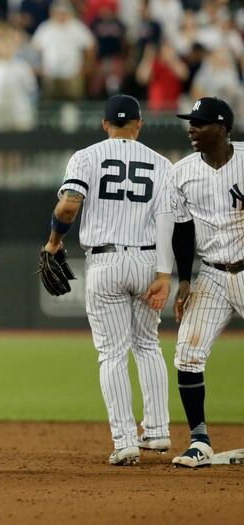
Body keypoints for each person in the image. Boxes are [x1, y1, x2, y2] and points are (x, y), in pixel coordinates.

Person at [41, 95, 174, 466]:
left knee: (112, 352)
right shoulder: (162, 164)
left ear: (104, 124)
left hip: (105, 260)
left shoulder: (86, 156)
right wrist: (165, 274)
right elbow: (168, 222)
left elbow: (69, 205)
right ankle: (159, 431)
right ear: (139, 124)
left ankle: (125, 440)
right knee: (148, 344)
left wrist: (54, 242)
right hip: (148, 258)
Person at [170, 97, 240, 468]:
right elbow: (182, 231)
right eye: (190, 122)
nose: (192, 128)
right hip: (211, 273)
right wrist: (184, 279)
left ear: (223, 128)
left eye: (200, 122)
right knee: (187, 355)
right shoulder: (182, 172)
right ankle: (199, 440)